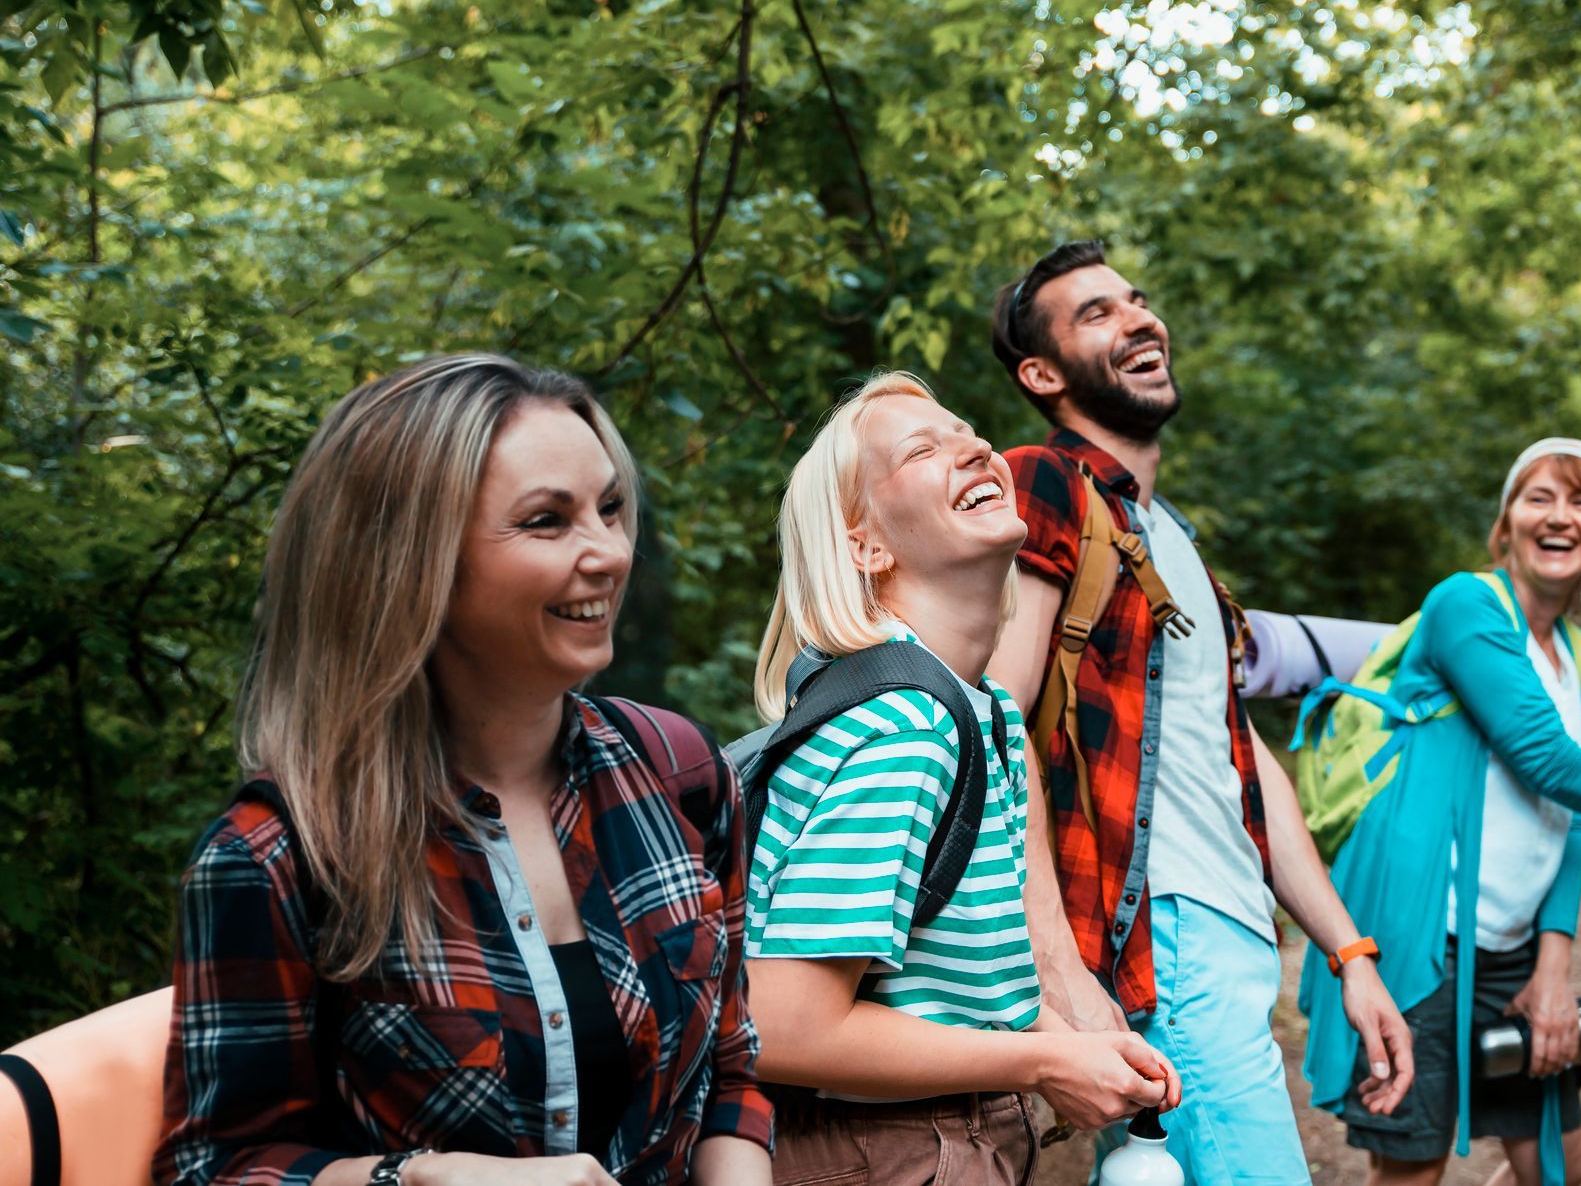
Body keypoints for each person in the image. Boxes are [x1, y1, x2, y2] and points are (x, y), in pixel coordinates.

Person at [156, 354, 774, 1186]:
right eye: (547, 521)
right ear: (414, 563)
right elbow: (216, 1167)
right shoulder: (277, 857)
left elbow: (728, 1070)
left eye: (611, 508)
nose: (609, 553)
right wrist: (420, 1178)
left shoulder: (679, 772)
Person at [985, 240, 1413, 1186]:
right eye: (1096, 312)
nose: (1138, 317)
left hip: (1225, 927)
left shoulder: (1163, 534)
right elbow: (996, 719)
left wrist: (1350, 953)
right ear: (1042, 372)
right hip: (1154, 933)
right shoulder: (1047, 485)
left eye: (1137, 299)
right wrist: (1062, 969)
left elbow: (1243, 759)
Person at [742, 371, 1180, 1186]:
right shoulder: (904, 725)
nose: (977, 446)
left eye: (968, 431)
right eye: (922, 448)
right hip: (881, 1148)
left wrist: (1070, 1038)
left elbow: (948, 980)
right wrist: (1044, 1061)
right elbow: (786, 1023)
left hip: (944, 1136)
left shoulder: (983, 712)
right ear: (865, 544)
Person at [1297, 438, 1581, 1186]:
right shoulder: (1465, 604)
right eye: (1537, 497)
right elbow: (1546, 758)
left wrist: (1553, 969)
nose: (1560, 515)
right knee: (1413, 1166)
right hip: (1422, 937)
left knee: (1561, 1162)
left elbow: (1572, 813)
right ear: (1505, 525)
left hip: (1510, 949)